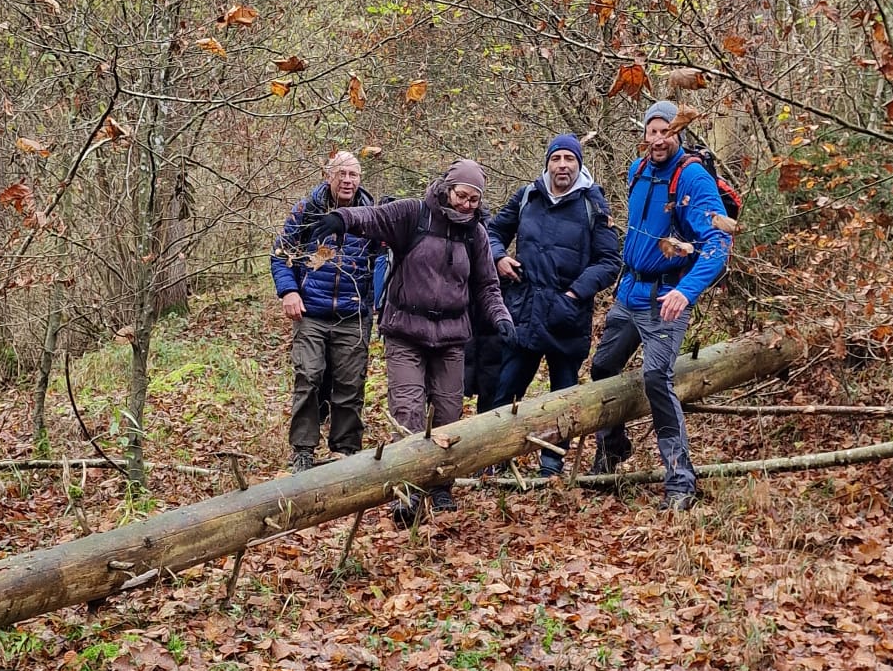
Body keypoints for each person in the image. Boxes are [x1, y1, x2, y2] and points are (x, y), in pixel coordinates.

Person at [311, 159, 513, 525]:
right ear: (447, 189)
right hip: (405, 330)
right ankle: (407, 492)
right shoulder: (415, 214)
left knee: (450, 414)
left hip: (451, 337)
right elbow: (374, 218)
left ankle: (440, 487)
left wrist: (500, 317)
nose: (467, 204)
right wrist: (342, 219)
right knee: (408, 412)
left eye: (474, 199)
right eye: (462, 196)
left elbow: (486, 285)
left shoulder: (476, 234)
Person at [590, 102, 732, 510]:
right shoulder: (639, 170)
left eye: (665, 132)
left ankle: (680, 480)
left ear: (678, 134)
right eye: (651, 131)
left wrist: (686, 292)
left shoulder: (692, 179)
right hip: (629, 293)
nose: (657, 139)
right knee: (602, 367)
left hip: (666, 299)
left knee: (656, 377)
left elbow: (718, 242)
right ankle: (614, 448)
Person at [485, 133, 622, 473]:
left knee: (563, 397)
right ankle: (493, 460)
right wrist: (500, 257)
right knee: (505, 391)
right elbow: (490, 233)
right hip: (523, 310)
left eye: (569, 159)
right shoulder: (528, 196)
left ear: (579, 164)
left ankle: (552, 464)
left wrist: (574, 295)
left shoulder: (593, 204)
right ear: (547, 163)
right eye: (556, 159)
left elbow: (609, 261)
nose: (563, 165)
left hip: (567, 318)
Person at [271, 151, 383, 471]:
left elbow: (384, 258)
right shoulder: (307, 210)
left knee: (350, 384)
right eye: (341, 174)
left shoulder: (371, 214)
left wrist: (379, 297)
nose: (347, 181)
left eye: (354, 175)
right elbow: (281, 254)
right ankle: (303, 449)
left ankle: (345, 451)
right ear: (328, 175)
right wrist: (289, 291)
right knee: (309, 376)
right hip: (311, 312)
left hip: (353, 315)